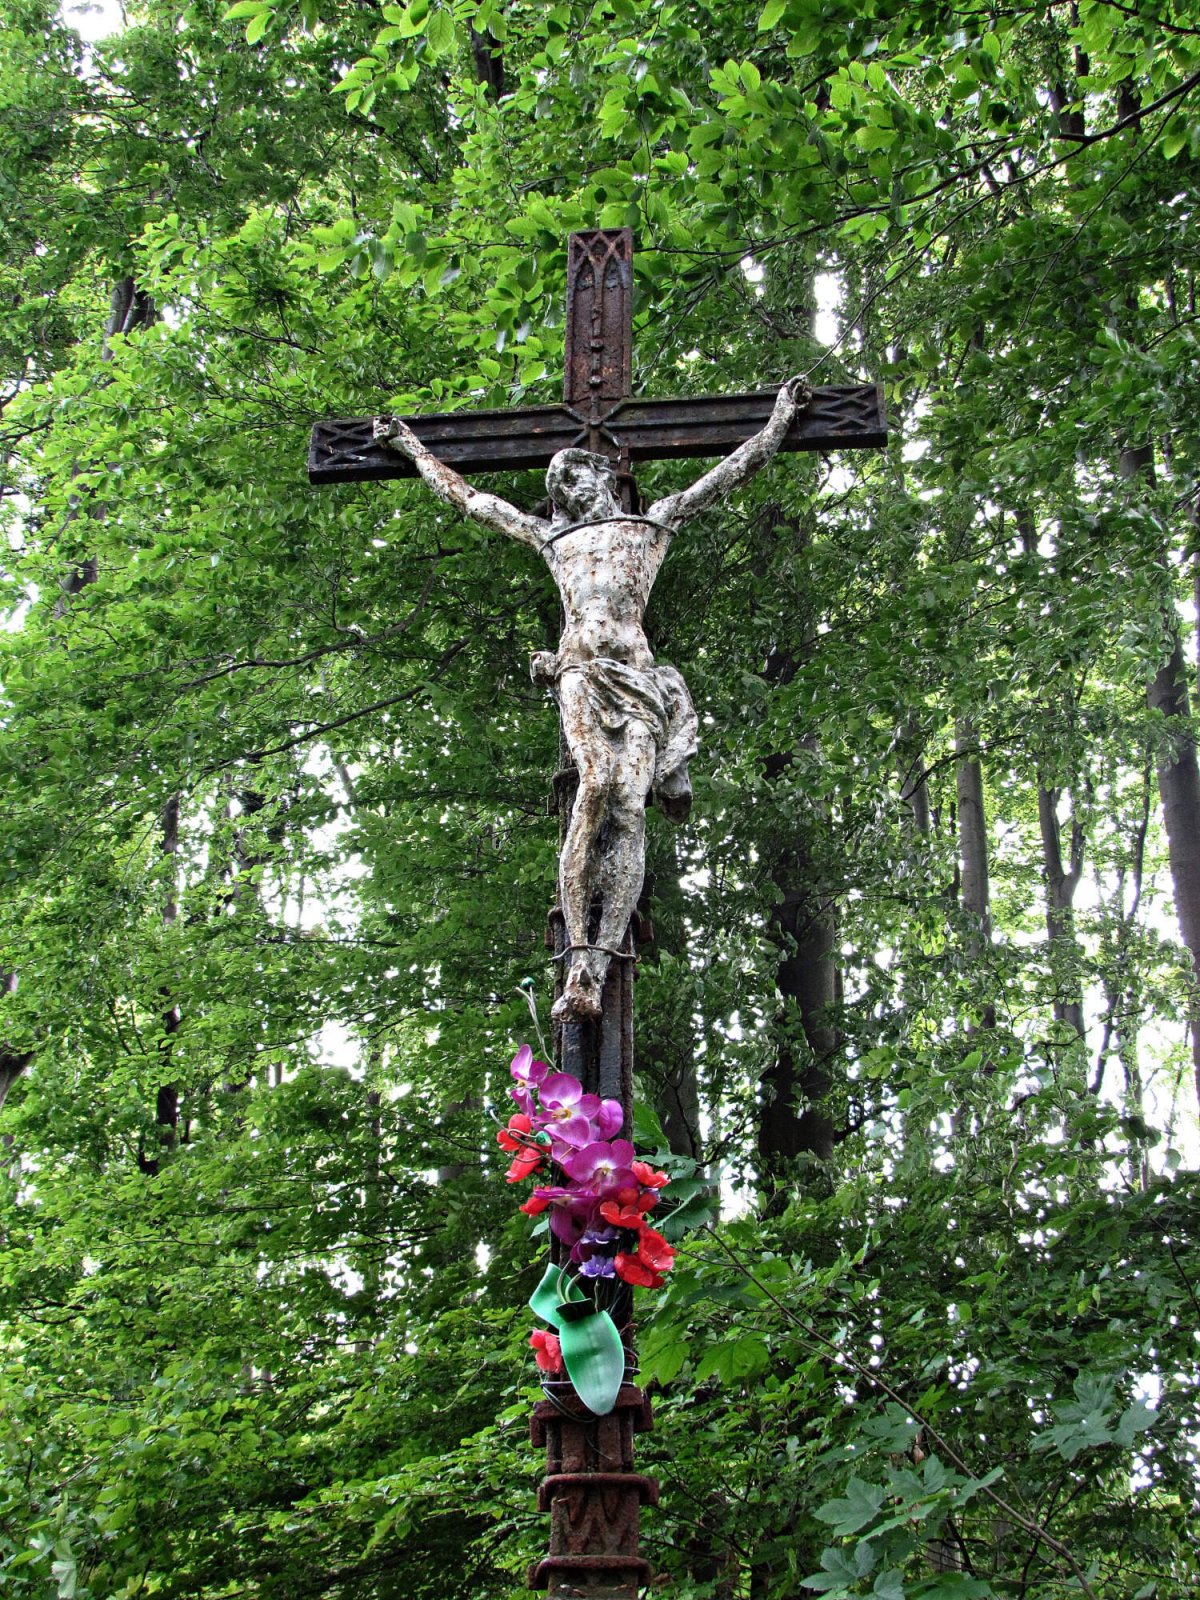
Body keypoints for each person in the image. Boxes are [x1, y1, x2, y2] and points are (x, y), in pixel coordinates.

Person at [375, 376, 811, 1021]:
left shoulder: (649, 525)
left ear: (600, 475)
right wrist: (411, 447)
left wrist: (778, 421)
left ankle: (601, 961)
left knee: (630, 807)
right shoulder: (555, 541)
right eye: (557, 487)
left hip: (636, 679)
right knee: (596, 785)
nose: (565, 492)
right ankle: (576, 952)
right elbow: (473, 500)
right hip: (578, 671)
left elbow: (726, 474)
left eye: (571, 477)